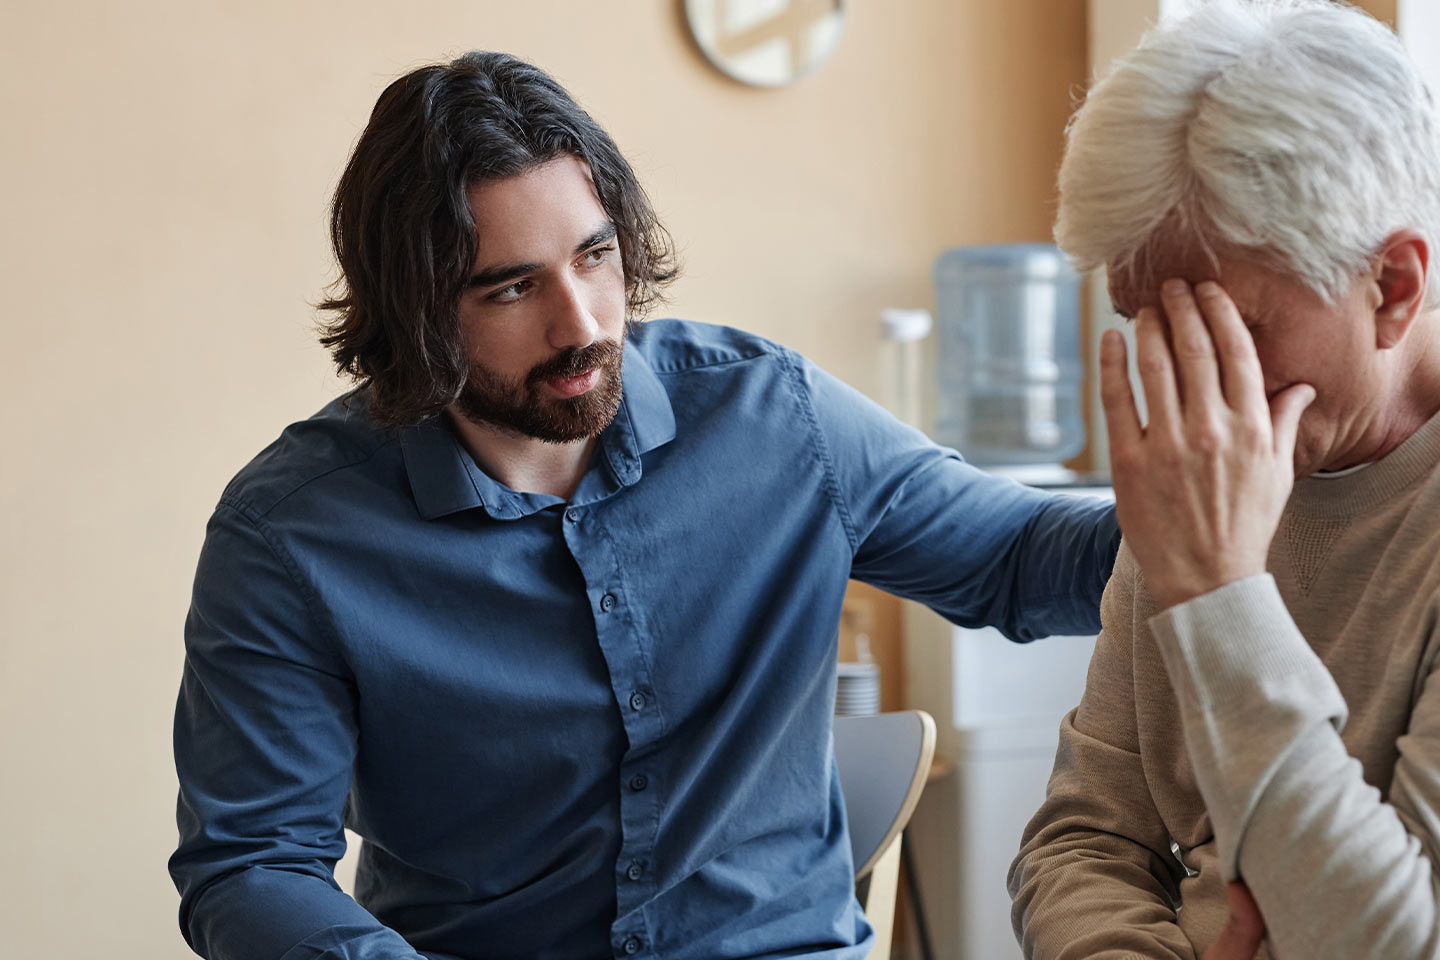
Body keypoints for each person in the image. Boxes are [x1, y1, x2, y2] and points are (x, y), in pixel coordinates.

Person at [167, 51, 1119, 960]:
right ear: (416, 308)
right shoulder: (291, 535)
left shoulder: (774, 417)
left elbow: (1028, 559)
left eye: (595, 256)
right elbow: (252, 863)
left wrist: (1235, 496)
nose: (581, 323)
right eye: (510, 288)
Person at [1007, 1, 1440, 958]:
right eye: (1141, 323)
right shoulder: (1199, 464)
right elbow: (1083, 839)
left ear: (1393, 286)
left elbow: (1393, 944)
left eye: (1225, 332)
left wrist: (1218, 589)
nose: (1186, 388)